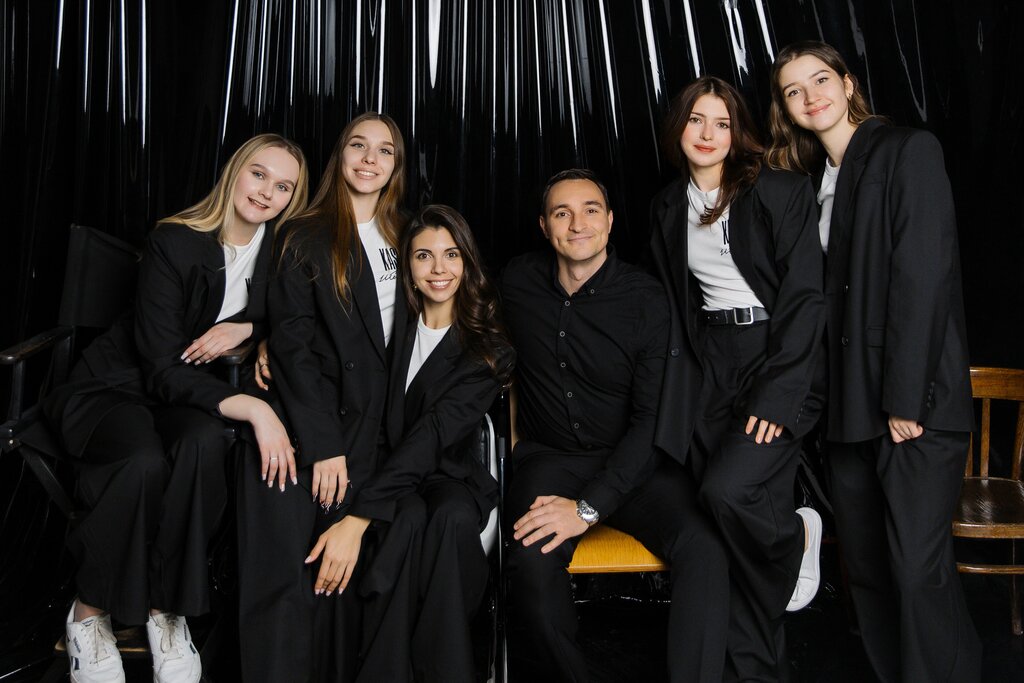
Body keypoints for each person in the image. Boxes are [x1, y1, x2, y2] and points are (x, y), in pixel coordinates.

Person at [44, 133, 308, 683]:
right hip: (117, 388)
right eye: (259, 174)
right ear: (235, 172)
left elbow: (293, 314)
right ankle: (89, 612)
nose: (267, 193)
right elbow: (162, 366)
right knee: (142, 461)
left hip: (185, 398)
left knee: (204, 444)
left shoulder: (281, 253)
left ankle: (167, 610)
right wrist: (254, 408)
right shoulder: (175, 241)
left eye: (283, 186)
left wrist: (250, 328)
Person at [766, 40, 981, 682]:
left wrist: (906, 400)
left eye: (820, 80)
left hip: (912, 405)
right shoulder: (816, 184)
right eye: (794, 91)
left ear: (849, 83)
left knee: (915, 568)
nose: (811, 97)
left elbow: (923, 277)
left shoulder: (907, 151)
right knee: (868, 571)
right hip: (849, 408)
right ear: (785, 109)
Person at [501, 168, 729, 683]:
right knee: (531, 565)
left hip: (634, 462)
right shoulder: (516, 282)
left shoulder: (647, 300)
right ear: (544, 226)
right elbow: (459, 320)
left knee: (705, 546)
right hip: (550, 460)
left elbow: (652, 422)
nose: (577, 223)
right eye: (562, 213)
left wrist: (587, 509)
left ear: (609, 221)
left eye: (590, 210)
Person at [648, 75, 826, 681]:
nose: (708, 134)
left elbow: (805, 300)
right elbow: (672, 305)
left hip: (773, 355)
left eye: (722, 123)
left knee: (727, 492)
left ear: (737, 133)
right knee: (721, 531)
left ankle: (794, 541)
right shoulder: (666, 206)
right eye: (696, 120)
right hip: (709, 365)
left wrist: (779, 394)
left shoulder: (779, 190)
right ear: (679, 127)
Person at [302, 204, 514, 682]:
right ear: (408, 268)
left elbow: (433, 435)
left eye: (451, 254)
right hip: (381, 469)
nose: (439, 269)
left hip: (446, 475)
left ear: (468, 263)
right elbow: (322, 346)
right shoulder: (389, 328)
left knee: (447, 518)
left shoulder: (489, 350)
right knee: (410, 518)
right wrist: (262, 342)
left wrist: (359, 517)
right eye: (423, 256)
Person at [237, 112, 411, 683]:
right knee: (291, 566)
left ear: (396, 166)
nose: (369, 159)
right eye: (358, 145)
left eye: (384, 150)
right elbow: (292, 343)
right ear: (340, 155)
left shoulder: (410, 234)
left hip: (386, 419)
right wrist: (324, 445)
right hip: (320, 416)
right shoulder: (304, 233)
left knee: (353, 571)